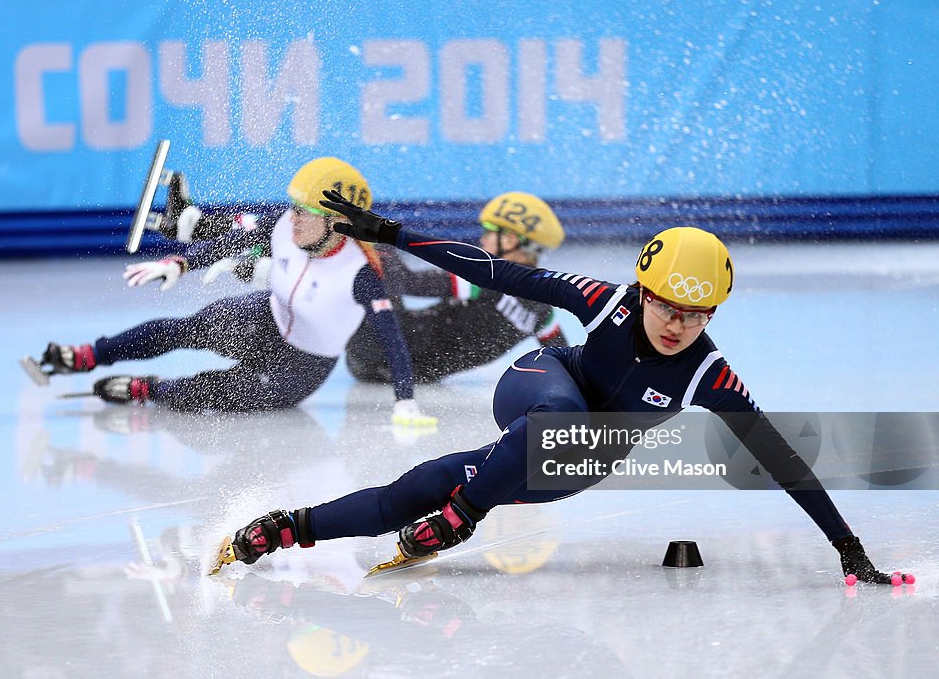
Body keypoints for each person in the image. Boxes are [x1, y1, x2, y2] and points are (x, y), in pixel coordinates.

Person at [208, 193, 909, 585]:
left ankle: (283, 529)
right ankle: (464, 517)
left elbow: (784, 460)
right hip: (543, 387)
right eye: (667, 305)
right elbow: (489, 267)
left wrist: (848, 546)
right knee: (551, 423)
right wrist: (389, 233)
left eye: (698, 314)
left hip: (574, 459)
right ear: (641, 289)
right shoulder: (601, 300)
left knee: (418, 486)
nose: (678, 325)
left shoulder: (709, 375)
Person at [22, 158, 434, 423]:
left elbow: (392, 338)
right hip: (264, 319)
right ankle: (88, 355)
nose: (292, 219)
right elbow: (229, 242)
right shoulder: (285, 224)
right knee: (181, 329)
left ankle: (147, 388)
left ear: (337, 223)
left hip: (301, 368)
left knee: (208, 392)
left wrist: (404, 401)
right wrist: (180, 263)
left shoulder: (362, 274)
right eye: (292, 206)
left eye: (305, 212)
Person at [345, 191, 568, 384]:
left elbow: (406, 281)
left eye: (489, 230)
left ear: (510, 241)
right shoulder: (543, 310)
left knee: (379, 254)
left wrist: (376, 238)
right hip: (415, 374)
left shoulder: (486, 280)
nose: (483, 240)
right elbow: (563, 360)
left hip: (376, 354)